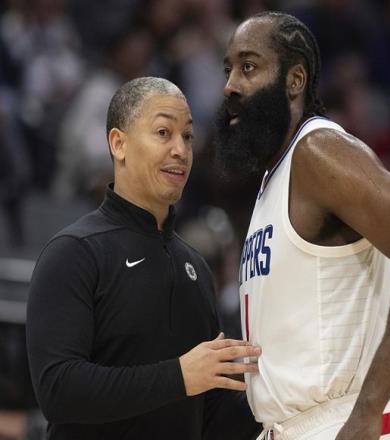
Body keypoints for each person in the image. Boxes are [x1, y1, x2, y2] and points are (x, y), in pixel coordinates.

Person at [213, 12, 390, 440]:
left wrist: (368, 409)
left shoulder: (320, 151)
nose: (230, 85)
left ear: (295, 80)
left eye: (248, 67)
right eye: (228, 69)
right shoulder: (275, 177)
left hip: (342, 422)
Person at [26, 77, 262, 440]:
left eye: (187, 136)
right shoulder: (73, 252)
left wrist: (279, 391)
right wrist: (180, 376)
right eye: (164, 132)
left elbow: (210, 418)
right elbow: (58, 389)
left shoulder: (197, 268)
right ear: (118, 144)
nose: (181, 150)